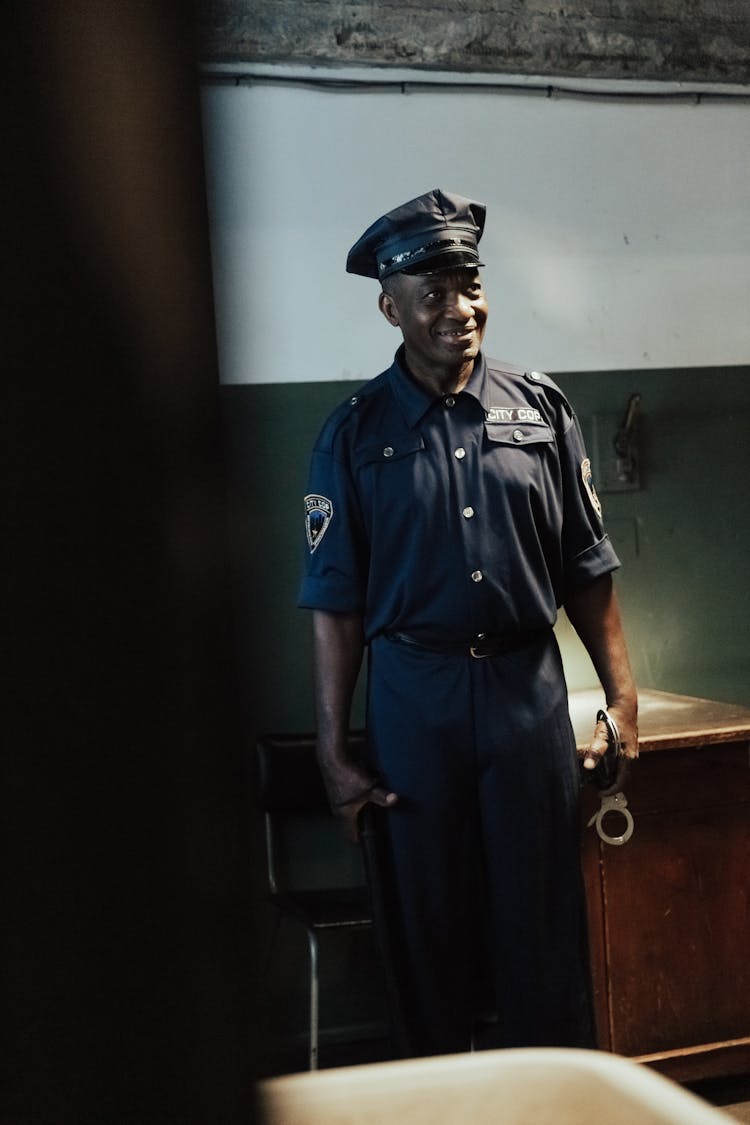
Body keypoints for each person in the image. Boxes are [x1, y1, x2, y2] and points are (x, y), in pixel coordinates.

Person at [298, 188, 638, 1057]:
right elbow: (335, 600)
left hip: (527, 694)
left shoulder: (541, 409)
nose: (460, 307)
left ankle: (557, 1106)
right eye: (433, 291)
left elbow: (589, 567)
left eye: (470, 284)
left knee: (542, 929)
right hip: (416, 699)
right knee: (426, 932)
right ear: (390, 307)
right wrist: (334, 747)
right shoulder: (353, 433)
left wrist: (621, 697)